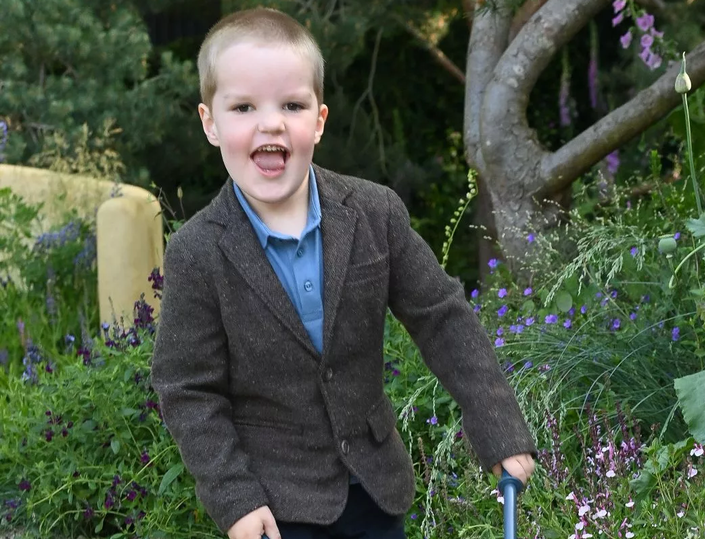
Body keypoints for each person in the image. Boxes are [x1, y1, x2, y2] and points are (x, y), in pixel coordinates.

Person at [150, 7, 536, 539]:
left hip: (375, 491)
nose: (270, 123)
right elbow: (187, 388)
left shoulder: (375, 214)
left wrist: (499, 430)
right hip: (274, 508)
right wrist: (234, 497)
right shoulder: (197, 251)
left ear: (319, 120)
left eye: (292, 104)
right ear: (210, 123)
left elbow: (442, 318)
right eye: (243, 107)